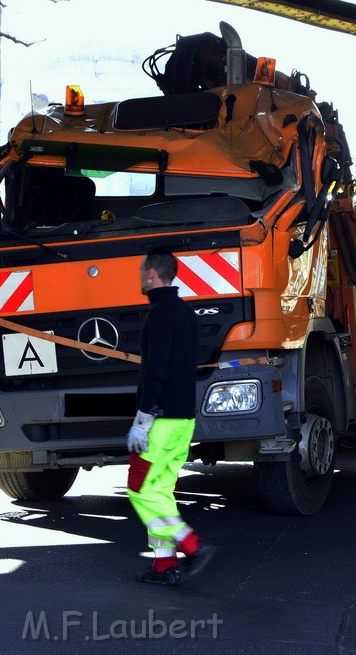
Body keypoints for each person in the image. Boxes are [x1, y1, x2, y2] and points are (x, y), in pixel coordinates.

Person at [126, 248, 215, 586]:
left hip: (160, 422)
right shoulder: (186, 313)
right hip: (182, 421)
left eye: (140, 271)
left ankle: (192, 544)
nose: (139, 277)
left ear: (151, 275)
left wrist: (143, 417)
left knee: (140, 490)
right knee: (161, 491)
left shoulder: (161, 314)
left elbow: (156, 370)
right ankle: (165, 566)